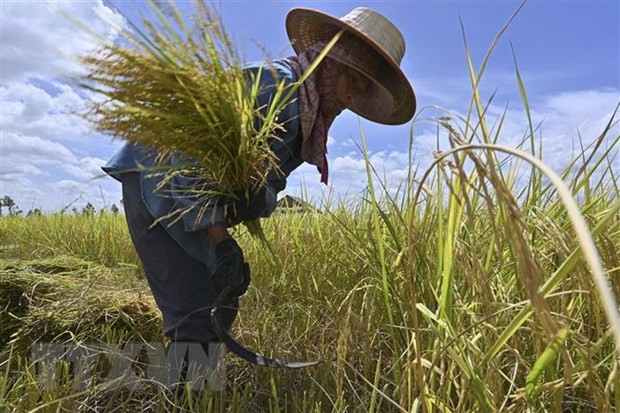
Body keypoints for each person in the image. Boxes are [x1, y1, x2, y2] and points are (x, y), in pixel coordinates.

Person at [102, 6, 416, 382]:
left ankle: (194, 387)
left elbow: (264, 186)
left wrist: (254, 201)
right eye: (351, 80)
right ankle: (187, 398)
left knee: (222, 300)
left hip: (189, 198)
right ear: (328, 63)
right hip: (159, 181)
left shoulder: (307, 119)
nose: (351, 97)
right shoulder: (273, 86)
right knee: (195, 308)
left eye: (363, 89)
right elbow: (185, 152)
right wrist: (220, 241)